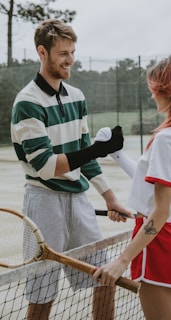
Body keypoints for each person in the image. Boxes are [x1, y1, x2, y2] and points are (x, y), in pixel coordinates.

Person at [11, 19, 130, 320]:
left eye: (73, 52)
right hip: (43, 203)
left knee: (104, 277)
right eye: (63, 53)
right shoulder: (27, 103)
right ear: (42, 52)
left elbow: (83, 156)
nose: (70, 60)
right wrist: (98, 149)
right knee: (42, 295)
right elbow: (47, 166)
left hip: (79, 203)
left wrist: (109, 196)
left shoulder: (76, 96)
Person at [93, 54, 171, 320]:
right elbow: (154, 184)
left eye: (155, 89)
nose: (152, 96)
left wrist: (121, 260)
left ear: (169, 91)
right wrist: (117, 154)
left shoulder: (166, 139)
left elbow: (159, 212)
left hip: (160, 240)